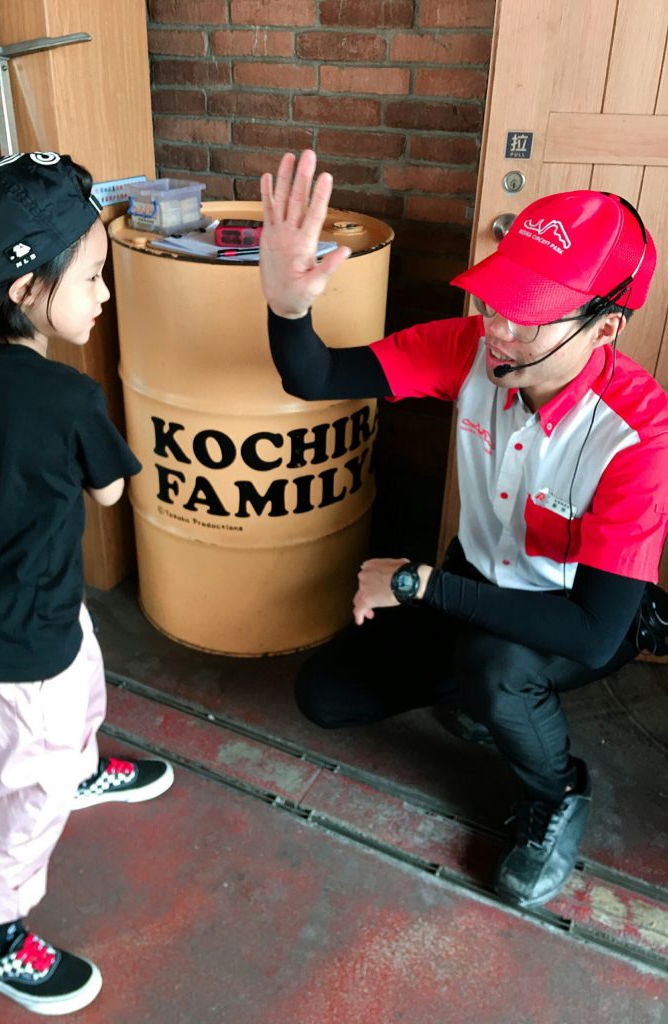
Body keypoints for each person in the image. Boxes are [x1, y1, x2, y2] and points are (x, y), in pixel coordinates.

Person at [258, 149, 668, 910]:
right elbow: (315, 377)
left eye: (531, 312)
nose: (500, 328)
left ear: (605, 328)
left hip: (574, 615)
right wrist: (287, 306)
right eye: (496, 301)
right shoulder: (473, 348)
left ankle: (558, 792)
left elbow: (586, 631)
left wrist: (416, 585)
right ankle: (488, 698)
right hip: (476, 584)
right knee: (328, 696)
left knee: (498, 668)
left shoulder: (636, 434)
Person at [0, 152, 175, 1015]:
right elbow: (110, 491)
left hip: (16, 605)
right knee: (28, 786)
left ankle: (83, 766)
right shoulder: (67, 398)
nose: (102, 295)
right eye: (92, 277)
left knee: (84, 679)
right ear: (25, 289)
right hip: (20, 638)